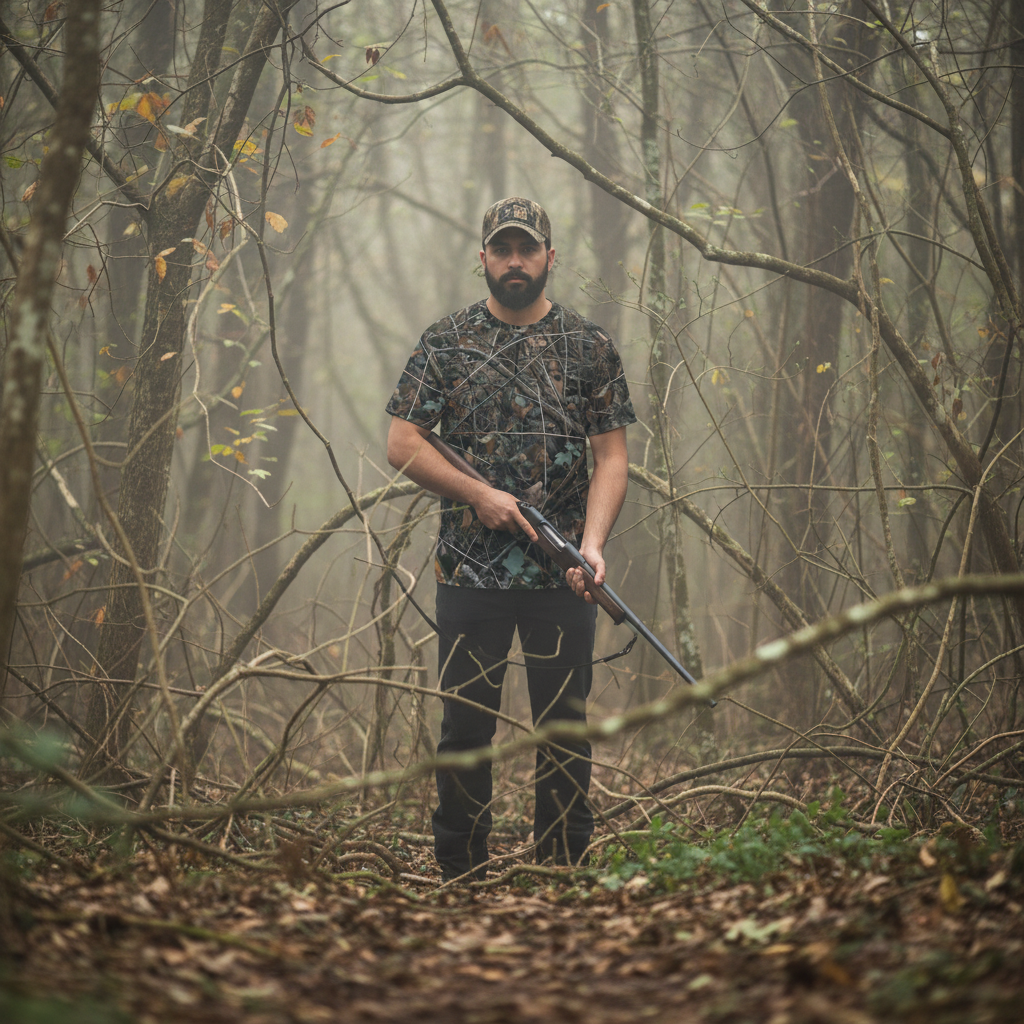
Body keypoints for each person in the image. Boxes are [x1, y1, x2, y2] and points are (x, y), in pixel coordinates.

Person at [385, 196, 636, 880]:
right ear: (484, 258)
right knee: (466, 730)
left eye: (528, 249)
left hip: (563, 576)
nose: (515, 261)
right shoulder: (445, 343)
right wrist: (479, 494)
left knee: (564, 729)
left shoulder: (589, 348)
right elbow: (402, 442)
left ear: (550, 258)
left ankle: (562, 870)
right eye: (503, 249)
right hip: (469, 575)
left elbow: (611, 457)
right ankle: (459, 873)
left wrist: (591, 545)